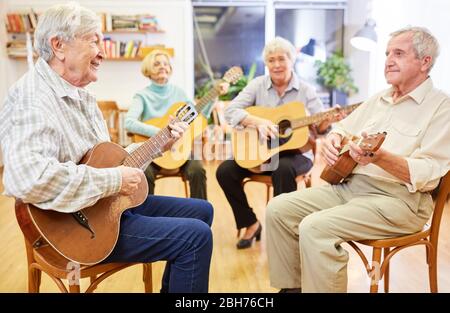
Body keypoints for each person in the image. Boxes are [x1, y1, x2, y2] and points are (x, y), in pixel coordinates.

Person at [0, 3, 213, 293]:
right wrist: (115, 179)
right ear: (59, 45)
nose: (102, 52)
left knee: (202, 212)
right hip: (77, 230)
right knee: (196, 237)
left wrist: (160, 144)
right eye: (94, 40)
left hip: (104, 208)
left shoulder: (81, 96)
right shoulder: (31, 98)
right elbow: (29, 179)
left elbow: (105, 160)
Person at [266, 26, 450, 292]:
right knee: (279, 209)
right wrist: (333, 139)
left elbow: (430, 174)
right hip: (348, 189)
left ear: (425, 62)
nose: (388, 60)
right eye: (388, 53)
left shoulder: (441, 107)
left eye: (398, 53)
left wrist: (380, 158)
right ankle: (292, 289)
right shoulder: (380, 98)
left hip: (399, 202)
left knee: (315, 228)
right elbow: (342, 128)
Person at [216, 37, 335, 249]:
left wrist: (326, 123)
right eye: (271, 60)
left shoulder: (306, 90)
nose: (277, 65)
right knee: (225, 171)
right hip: (261, 153)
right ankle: (250, 223)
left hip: (295, 154)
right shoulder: (257, 85)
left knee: (283, 168)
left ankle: (284, 233)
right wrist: (256, 121)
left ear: (292, 60)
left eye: (282, 59)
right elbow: (231, 111)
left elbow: (320, 129)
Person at [125, 50, 225, 199]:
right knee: (144, 175)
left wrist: (213, 97)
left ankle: (200, 217)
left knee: (197, 170)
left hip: (179, 150)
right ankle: (146, 217)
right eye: (157, 64)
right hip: (152, 152)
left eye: (166, 64)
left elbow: (198, 115)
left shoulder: (179, 93)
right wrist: (161, 133)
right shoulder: (142, 96)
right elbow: (129, 122)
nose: (162, 67)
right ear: (148, 70)